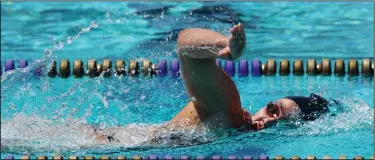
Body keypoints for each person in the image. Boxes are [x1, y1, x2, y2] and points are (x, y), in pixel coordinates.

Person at [95, 23, 335, 143]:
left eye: (281, 124)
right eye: (273, 110)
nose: (267, 120)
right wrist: (224, 47)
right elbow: (185, 46)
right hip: (96, 143)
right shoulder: (228, 112)